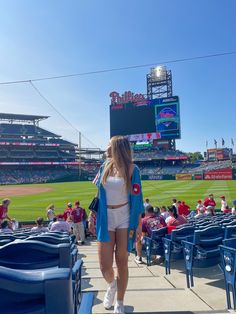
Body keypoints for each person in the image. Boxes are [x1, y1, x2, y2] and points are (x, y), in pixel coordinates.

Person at [93, 136, 144, 314]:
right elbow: (99, 195)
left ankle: (120, 301)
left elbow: (137, 198)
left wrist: (138, 225)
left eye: (109, 144)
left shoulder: (133, 169)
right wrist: (94, 217)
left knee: (122, 262)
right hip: (105, 216)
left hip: (124, 217)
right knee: (104, 266)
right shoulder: (104, 166)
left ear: (116, 147)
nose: (106, 147)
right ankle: (112, 285)